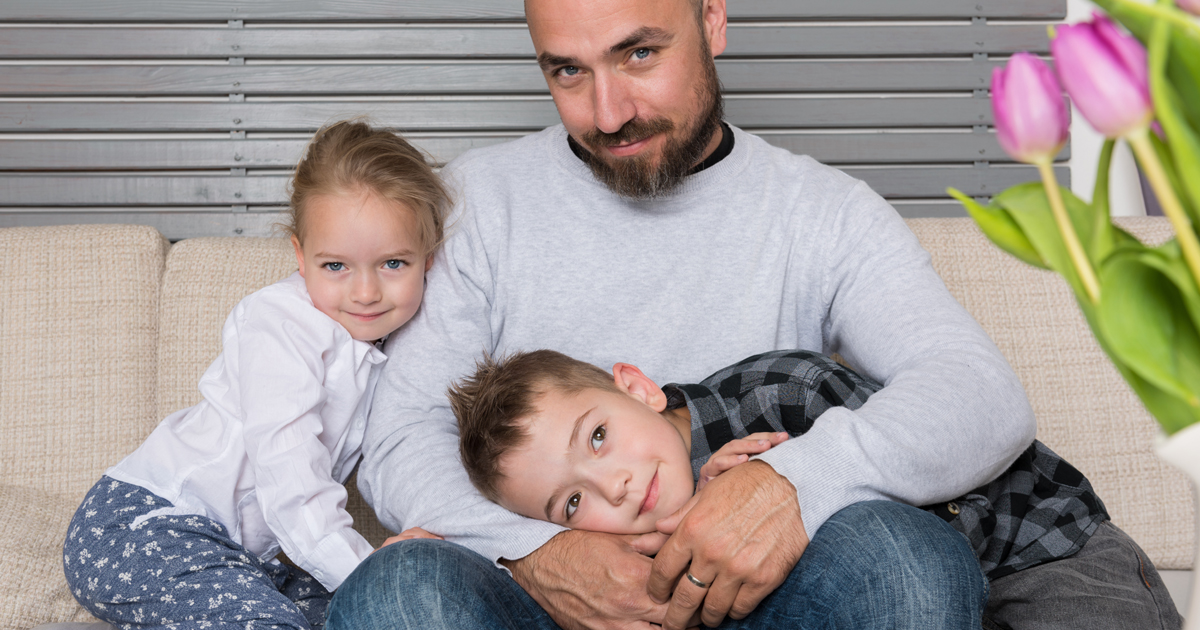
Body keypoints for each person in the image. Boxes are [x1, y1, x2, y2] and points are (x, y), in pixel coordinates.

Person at [327, 0, 1030, 629]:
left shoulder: (825, 213)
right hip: (555, 608)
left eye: (639, 53)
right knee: (397, 592)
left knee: (904, 563)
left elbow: (978, 394)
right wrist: (539, 551)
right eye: (569, 71)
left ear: (713, 20)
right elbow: (400, 436)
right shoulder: (473, 204)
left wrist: (791, 485)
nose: (609, 113)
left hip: (764, 597)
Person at [447, 348, 1181, 629]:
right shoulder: (637, 549)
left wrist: (797, 474)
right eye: (572, 504)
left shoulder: (777, 395)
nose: (615, 485)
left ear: (635, 387)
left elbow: (927, 493)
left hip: (1044, 550)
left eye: (598, 437)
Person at [61, 119, 451, 630]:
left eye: (393, 263)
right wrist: (370, 569)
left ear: (430, 258)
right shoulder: (278, 326)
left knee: (351, 617)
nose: (365, 293)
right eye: (335, 266)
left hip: (235, 553)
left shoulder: (398, 344)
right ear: (299, 256)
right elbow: (290, 474)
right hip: (140, 525)